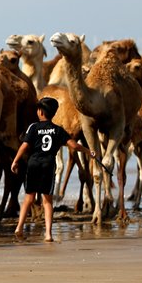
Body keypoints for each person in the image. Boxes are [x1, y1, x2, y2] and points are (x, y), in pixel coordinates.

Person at [10, 97, 92, 243]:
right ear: (53, 113)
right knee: (47, 201)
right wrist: (88, 151)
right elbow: (74, 145)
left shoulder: (33, 127)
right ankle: (48, 234)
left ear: (40, 112)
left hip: (33, 164)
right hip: (48, 165)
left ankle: (19, 227)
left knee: (29, 198)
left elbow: (24, 146)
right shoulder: (58, 130)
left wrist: (15, 161)